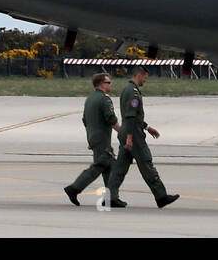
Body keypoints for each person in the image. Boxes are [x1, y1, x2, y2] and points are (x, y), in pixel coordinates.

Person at [107, 66, 179, 208]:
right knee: (146, 163)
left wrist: (148, 128)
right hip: (133, 134)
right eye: (145, 77)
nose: (145, 80)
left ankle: (109, 198)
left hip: (127, 131)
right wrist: (130, 138)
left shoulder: (127, 89)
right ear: (139, 75)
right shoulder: (133, 92)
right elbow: (131, 116)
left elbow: (134, 117)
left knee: (120, 167)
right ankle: (161, 196)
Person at [64, 73, 128, 207]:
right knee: (100, 166)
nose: (110, 84)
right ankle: (74, 188)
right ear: (101, 84)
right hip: (102, 139)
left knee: (109, 168)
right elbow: (111, 119)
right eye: (108, 82)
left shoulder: (90, 98)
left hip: (94, 138)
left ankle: (111, 198)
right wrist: (124, 134)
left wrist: (90, 138)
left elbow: (85, 120)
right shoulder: (104, 99)